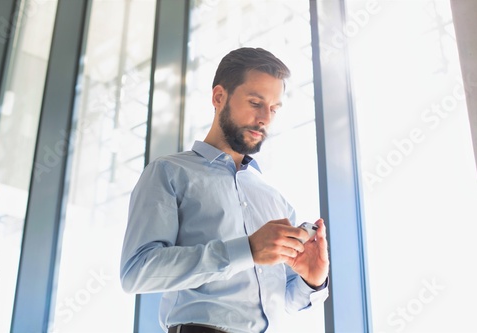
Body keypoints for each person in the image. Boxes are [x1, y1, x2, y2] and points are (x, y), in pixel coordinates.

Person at [120, 47, 329, 333]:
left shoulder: (275, 199)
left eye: (274, 109)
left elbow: (285, 301)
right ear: (219, 97)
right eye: (256, 102)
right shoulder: (170, 173)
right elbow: (137, 271)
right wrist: (248, 249)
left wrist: (311, 281)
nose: (265, 118)